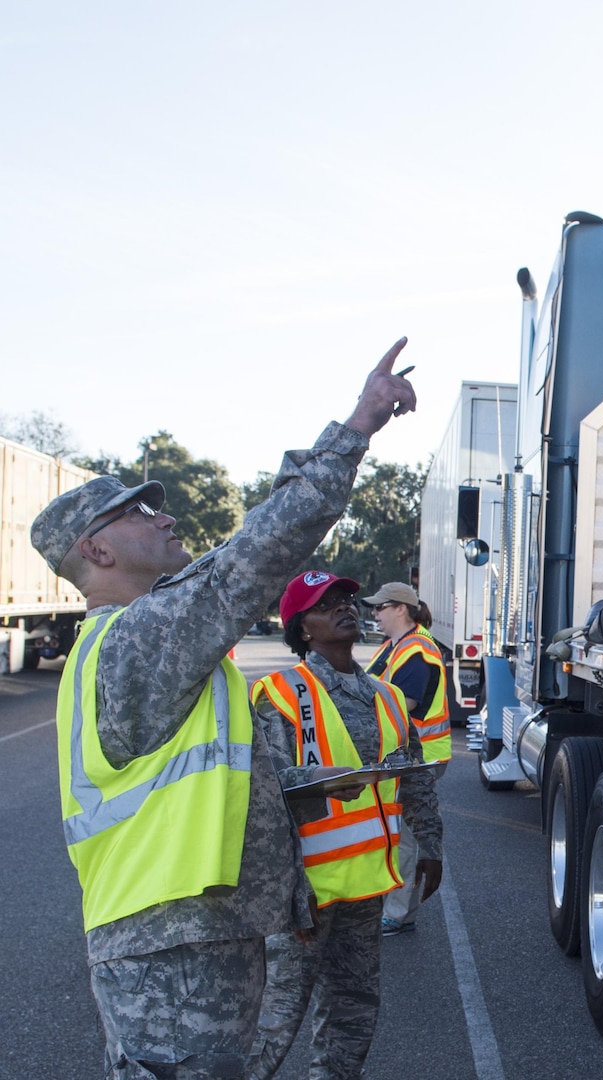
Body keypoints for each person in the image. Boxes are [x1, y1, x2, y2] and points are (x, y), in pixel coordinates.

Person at [31, 339, 416, 1079]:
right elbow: (251, 558)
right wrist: (355, 430)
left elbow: (233, 788)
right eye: (137, 512)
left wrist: (290, 893)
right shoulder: (137, 639)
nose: (163, 518)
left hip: (184, 940)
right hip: (169, 953)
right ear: (97, 552)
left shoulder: (148, 638)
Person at [247, 573, 443, 1080]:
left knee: (353, 1011)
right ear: (302, 628)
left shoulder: (387, 696)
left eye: (347, 601)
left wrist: (431, 845)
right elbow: (262, 795)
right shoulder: (280, 694)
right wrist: (287, 888)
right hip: (303, 892)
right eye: (325, 604)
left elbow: (413, 778)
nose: (345, 608)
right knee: (274, 1024)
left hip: (364, 888)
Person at [364, 581, 450, 936]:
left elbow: (407, 702)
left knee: (406, 838)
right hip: (403, 756)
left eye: (380, 607)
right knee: (400, 835)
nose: (374, 613)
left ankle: (398, 914)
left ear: (401, 608)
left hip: (419, 758)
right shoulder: (395, 646)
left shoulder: (416, 650)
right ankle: (399, 910)